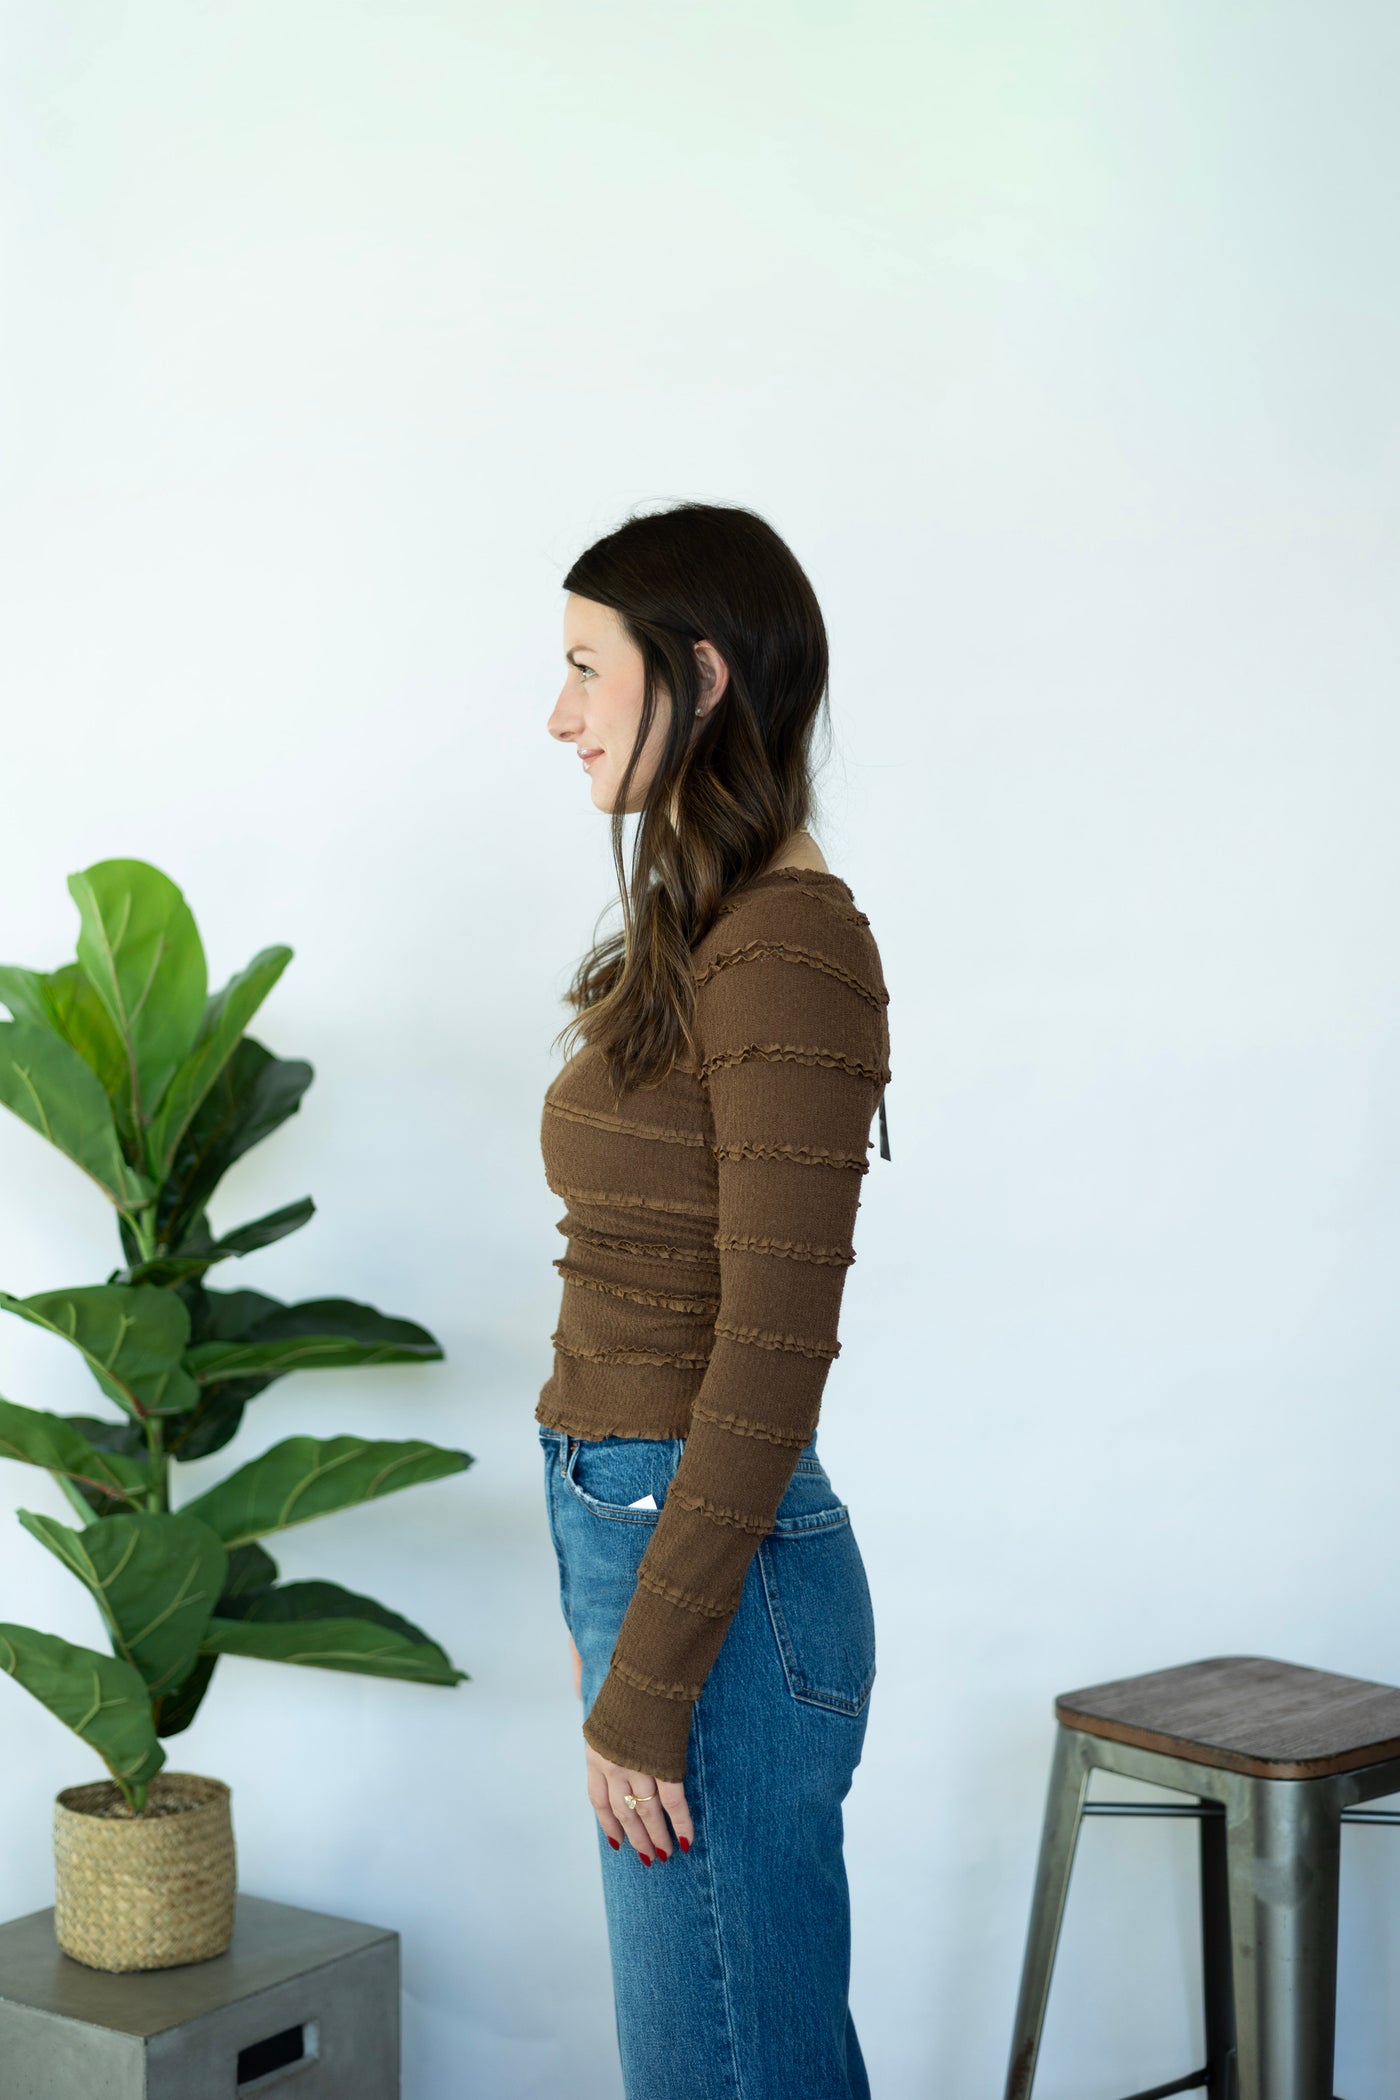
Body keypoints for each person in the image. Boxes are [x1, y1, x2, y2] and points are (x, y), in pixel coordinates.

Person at [538, 500, 890, 2100]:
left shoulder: (787, 949)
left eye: (585, 669)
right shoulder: (716, 927)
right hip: (659, 1546)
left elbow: (771, 1351)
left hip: (717, 1581)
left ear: (701, 674)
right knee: (739, 2060)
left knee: (732, 2073)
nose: (561, 716)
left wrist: (652, 1672)